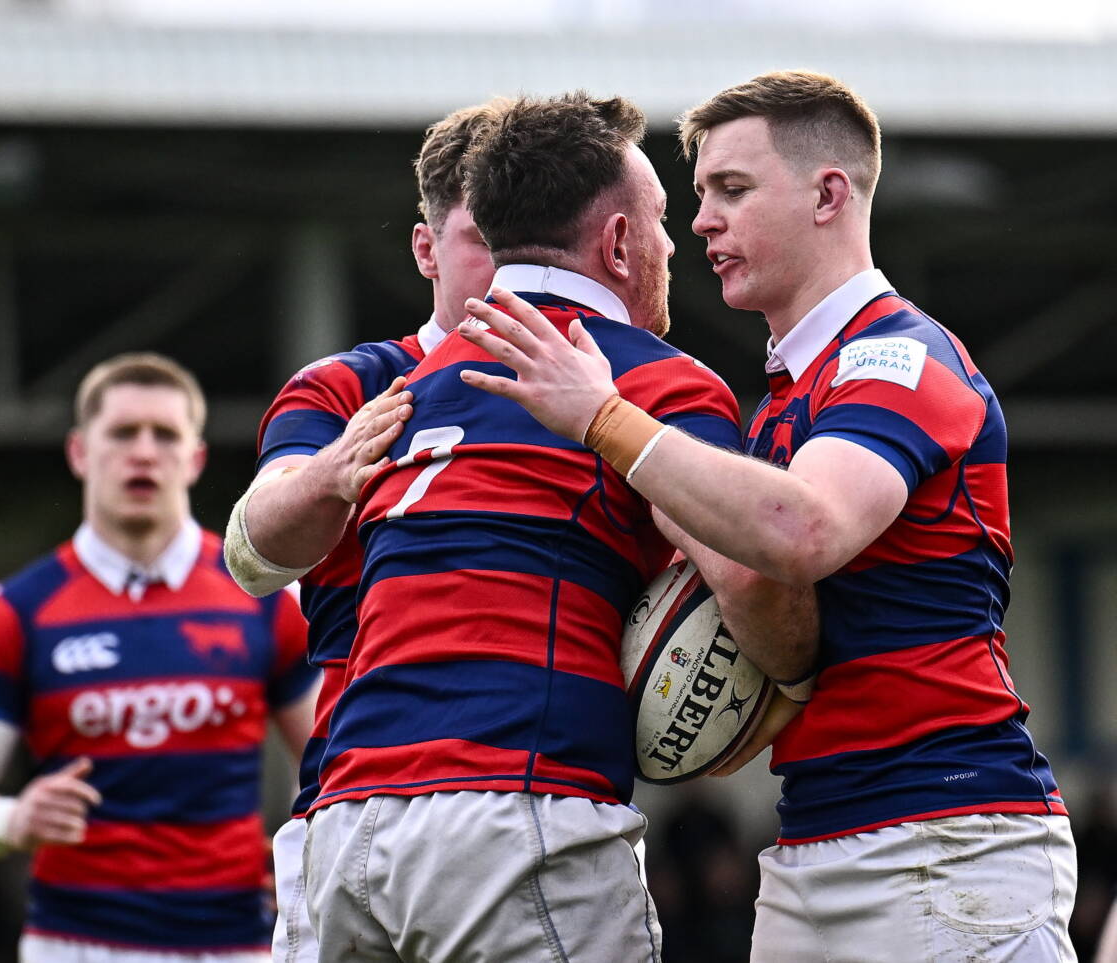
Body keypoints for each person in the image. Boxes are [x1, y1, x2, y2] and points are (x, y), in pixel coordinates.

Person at [458, 70, 1077, 960]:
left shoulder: (899, 356)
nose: (702, 219)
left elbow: (806, 530)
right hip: (817, 835)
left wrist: (603, 416)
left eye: (732, 190)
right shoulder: (785, 403)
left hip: (946, 831)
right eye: (700, 194)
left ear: (830, 194)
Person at [298, 91, 808, 963]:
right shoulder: (653, 382)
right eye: (656, 219)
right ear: (615, 243)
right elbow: (752, 577)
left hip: (343, 831)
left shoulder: (401, 390)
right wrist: (791, 678)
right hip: (511, 811)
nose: (672, 242)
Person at [0, 352, 318, 963]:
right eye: (124, 433)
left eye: (165, 434)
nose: (144, 451)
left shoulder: (266, 599)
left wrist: (303, 850)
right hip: (75, 942)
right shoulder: (16, 612)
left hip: (235, 941)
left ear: (196, 457)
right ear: (80, 452)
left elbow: (331, 756)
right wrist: (11, 817)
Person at [223, 101, 505, 962]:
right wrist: (332, 473)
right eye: (479, 239)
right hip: (350, 808)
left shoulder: (590, 386)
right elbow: (250, 551)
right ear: (425, 250)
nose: (507, 268)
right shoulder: (351, 383)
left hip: (523, 796)